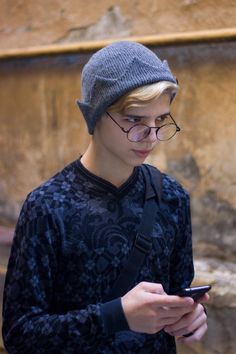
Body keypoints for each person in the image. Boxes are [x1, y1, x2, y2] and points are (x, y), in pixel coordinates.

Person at [2, 41, 209, 353]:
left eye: (161, 121)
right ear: (94, 116)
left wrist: (192, 316)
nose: (151, 137)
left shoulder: (172, 197)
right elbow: (19, 334)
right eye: (134, 120)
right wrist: (116, 316)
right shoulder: (47, 206)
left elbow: (176, 296)